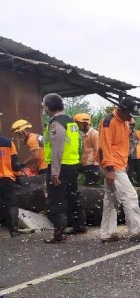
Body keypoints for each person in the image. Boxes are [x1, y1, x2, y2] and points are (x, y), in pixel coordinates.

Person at [99, 97, 140, 243]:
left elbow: (121, 145)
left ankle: (107, 233)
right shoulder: (108, 122)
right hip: (113, 166)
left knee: (111, 200)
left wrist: (125, 161)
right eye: (129, 114)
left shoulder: (124, 122)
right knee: (130, 196)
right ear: (121, 109)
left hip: (119, 164)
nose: (130, 118)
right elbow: (105, 147)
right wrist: (110, 169)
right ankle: (135, 231)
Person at [42, 93, 86, 243]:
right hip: (73, 163)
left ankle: (59, 234)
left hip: (61, 166)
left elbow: (57, 149)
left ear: (47, 107)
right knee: (73, 195)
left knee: (56, 199)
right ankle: (79, 225)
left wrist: (55, 172)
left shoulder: (56, 123)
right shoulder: (70, 122)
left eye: (44, 106)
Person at [0, 134, 24, 237]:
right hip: (7, 178)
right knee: (11, 204)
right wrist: (18, 176)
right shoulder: (7, 142)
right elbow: (15, 163)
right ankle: (14, 230)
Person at [74, 113, 101, 187]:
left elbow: (97, 149)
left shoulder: (94, 134)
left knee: (90, 187)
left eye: (79, 125)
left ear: (85, 123)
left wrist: (96, 166)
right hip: (86, 164)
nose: (78, 127)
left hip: (92, 165)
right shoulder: (84, 135)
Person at [127, 122, 140, 187]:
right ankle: (130, 187)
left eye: (132, 125)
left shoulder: (138, 133)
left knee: (139, 173)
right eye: (130, 124)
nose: (131, 126)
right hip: (128, 157)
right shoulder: (124, 133)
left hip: (138, 157)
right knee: (129, 174)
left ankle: (138, 187)